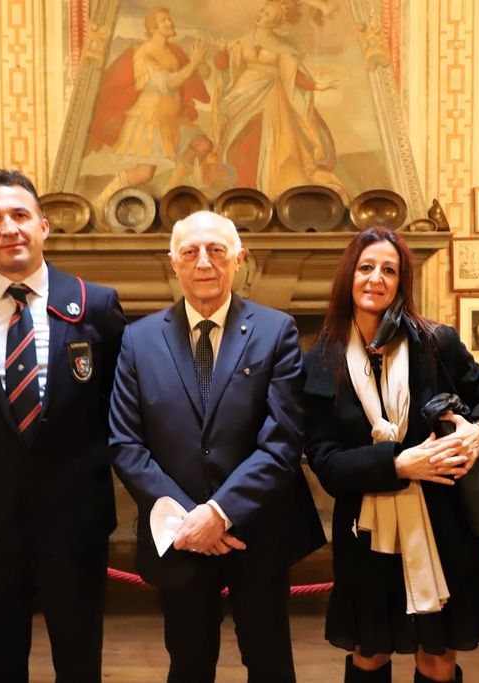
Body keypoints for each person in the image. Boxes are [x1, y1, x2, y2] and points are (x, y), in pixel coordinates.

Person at [0, 169, 127, 683]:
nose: (9, 227)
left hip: (75, 515)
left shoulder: (96, 304)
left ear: (43, 226)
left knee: (79, 660)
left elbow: (121, 405)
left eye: (19, 215)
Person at [108, 210, 325, 682]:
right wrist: (192, 520)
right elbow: (126, 444)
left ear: (239, 259)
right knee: (188, 665)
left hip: (257, 532)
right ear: (173, 261)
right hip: (179, 535)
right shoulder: (137, 340)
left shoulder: (276, 331)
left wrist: (220, 513)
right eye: (190, 252)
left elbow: (282, 441)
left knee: (270, 665)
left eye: (216, 251)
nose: (203, 262)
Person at [302, 227, 479, 683]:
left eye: (389, 270)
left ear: (401, 282)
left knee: (436, 658)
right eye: (366, 267)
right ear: (349, 276)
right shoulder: (320, 360)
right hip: (366, 535)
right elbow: (325, 461)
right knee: (370, 654)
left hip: (444, 527)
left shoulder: (437, 343)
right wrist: (396, 465)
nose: (376, 278)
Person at [212, 0, 345, 199]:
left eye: (268, 15)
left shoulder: (282, 48)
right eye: (262, 10)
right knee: (236, 142)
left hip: (270, 100)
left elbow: (293, 75)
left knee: (260, 142)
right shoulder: (241, 41)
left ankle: (262, 188)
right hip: (241, 97)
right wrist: (222, 50)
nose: (261, 15)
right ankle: (242, 188)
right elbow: (222, 66)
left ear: (276, 22)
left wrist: (318, 86)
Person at [85, 6, 220, 195]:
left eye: (169, 19)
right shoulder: (144, 53)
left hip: (173, 117)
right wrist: (194, 63)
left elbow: (201, 74)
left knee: (203, 145)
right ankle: (102, 198)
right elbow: (168, 82)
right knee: (144, 173)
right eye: (164, 20)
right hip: (152, 118)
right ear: (153, 27)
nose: (169, 22)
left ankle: (169, 192)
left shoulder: (173, 51)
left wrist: (200, 62)